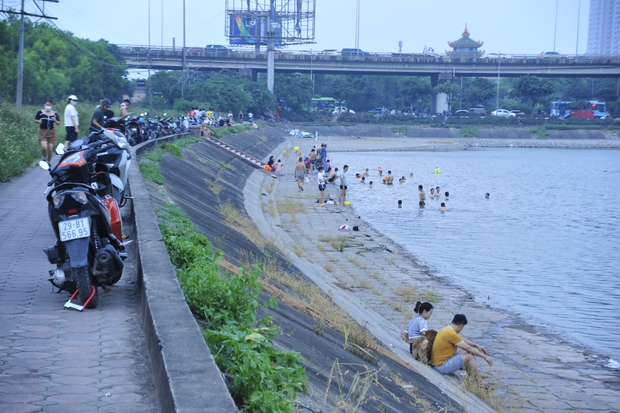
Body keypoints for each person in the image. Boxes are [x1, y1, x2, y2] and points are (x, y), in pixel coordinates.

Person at [431, 314, 492, 384]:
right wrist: (485, 357)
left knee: (464, 352)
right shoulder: (451, 334)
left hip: (437, 363)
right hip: (440, 367)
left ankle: (472, 377)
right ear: (461, 326)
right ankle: (481, 383)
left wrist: (476, 345)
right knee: (469, 356)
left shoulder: (445, 329)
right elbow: (469, 348)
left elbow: (461, 340)